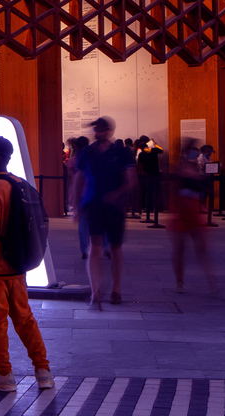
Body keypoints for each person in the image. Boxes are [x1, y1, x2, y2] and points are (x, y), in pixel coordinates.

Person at [0, 135, 54, 392]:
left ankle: (4, 376)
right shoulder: (21, 184)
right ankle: (43, 371)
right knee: (25, 319)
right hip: (17, 265)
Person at [71, 118, 134, 309]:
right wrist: (76, 206)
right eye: (96, 130)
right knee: (95, 247)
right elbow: (79, 179)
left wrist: (117, 193)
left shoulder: (122, 153)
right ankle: (95, 292)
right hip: (94, 205)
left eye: (101, 129)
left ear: (109, 131)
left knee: (115, 247)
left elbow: (131, 179)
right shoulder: (87, 152)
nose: (98, 133)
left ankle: (116, 289)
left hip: (114, 207)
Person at [167, 138, 217, 292]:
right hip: (184, 210)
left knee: (197, 249)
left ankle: (209, 282)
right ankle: (181, 282)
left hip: (190, 210)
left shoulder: (189, 167)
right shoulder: (183, 168)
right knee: (184, 249)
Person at [135, 138, 163, 221]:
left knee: (148, 192)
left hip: (146, 175)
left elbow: (140, 165)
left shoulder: (142, 154)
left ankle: (148, 208)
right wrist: (154, 144)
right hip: (155, 173)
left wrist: (141, 173)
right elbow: (160, 150)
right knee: (156, 191)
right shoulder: (154, 151)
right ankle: (156, 208)